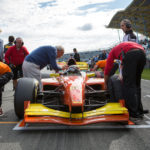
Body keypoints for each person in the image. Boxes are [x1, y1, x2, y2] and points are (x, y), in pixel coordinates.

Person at [104, 41, 146, 121]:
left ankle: (133, 114)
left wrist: (105, 83)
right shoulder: (124, 47)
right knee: (137, 84)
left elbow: (107, 69)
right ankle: (139, 111)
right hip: (142, 53)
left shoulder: (113, 52)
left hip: (132, 54)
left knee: (128, 85)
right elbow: (123, 68)